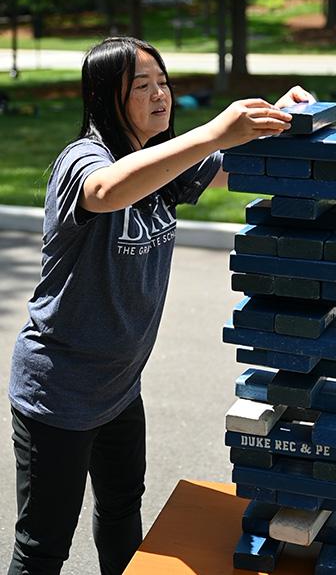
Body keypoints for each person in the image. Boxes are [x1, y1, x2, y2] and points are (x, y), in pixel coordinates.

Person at [7, 35, 313, 575]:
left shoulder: (164, 164)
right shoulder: (84, 160)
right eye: (140, 86)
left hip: (121, 387)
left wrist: (277, 116)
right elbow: (106, 192)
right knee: (44, 545)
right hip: (59, 391)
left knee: (123, 512)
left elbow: (230, 164)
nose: (160, 95)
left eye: (163, 82)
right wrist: (211, 131)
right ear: (106, 98)